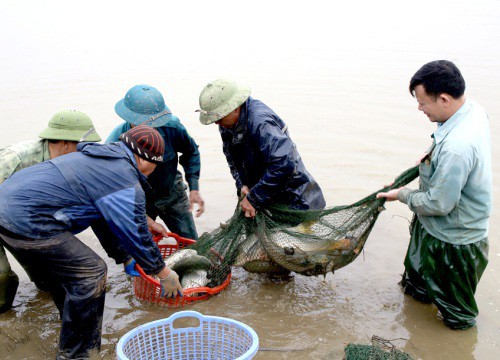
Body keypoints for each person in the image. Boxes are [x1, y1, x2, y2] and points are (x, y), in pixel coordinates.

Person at [0, 125, 183, 359]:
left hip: (6, 209)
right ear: (145, 160)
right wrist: (163, 272)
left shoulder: (99, 156)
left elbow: (103, 216)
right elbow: (137, 234)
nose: (154, 170)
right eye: (156, 165)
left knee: (65, 271)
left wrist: (123, 255)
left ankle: (70, 326)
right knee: (91, 273)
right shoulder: (124, 177)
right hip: (27, 219)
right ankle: (78, 354)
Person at [377, 60, 491, 330]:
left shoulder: (456, 148)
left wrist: (402, 194)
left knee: (456, 317)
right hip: (431, 230)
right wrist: (424, 165)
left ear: (443, 99)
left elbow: (440, 203)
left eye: (422, 102)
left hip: (454, 243)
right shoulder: (472, 110)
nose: (419, 108)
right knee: (415, 291)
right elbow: (443, 153)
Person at [0, 110, 102, 314]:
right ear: (65, 142)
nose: (86, 150)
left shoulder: (73, 164)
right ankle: (5, 319)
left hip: (26, 223)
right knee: (3, 277)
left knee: (46, 280)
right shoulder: (16, 159)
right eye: (82, 145)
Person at [197, 78, 326, 218]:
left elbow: (283, 165)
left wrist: (254, 198)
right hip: (266, 197)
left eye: (219, 117)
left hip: (295, 201)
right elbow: (232, 158)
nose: (217, 123)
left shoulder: (261, 122)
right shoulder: (226, 124)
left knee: (305, 237)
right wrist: (242, 185)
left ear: (234, 108)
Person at [106, 85, 204, 240]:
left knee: (191, 243)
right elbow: (113, 190)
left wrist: (194, 187)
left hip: (172, 192)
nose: (148, 129)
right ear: (128, 118)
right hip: (138, 200)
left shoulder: (173, 127)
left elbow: (191, 152)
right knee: (137, 246)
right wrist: (144, 218)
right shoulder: (115, 142)